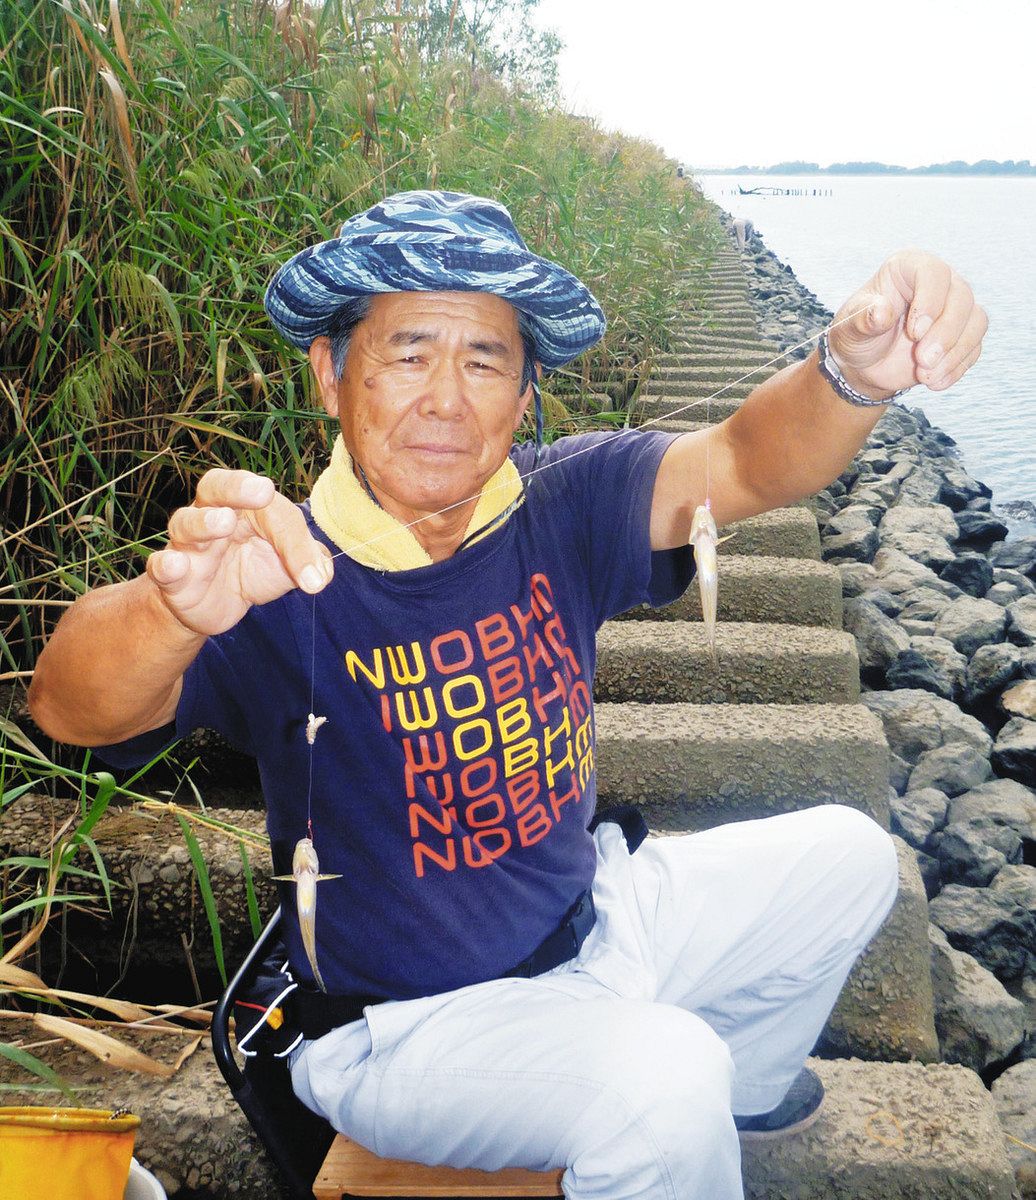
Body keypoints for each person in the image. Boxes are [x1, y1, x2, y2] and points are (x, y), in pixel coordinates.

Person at [28, 191, 987, 1200]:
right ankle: (669, 1127)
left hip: (596, 918)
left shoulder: (561, 503)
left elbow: (748, 459)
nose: (446, 395)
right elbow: (69, 707)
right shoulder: (275, 569)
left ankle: (728, 1111)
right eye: (407, 352)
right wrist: (168, 612)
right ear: (331, 372)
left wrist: (850, 372)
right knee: (662, 1079)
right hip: (407, 1029)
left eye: (484, 359)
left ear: (523, 394)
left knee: (847, 858)